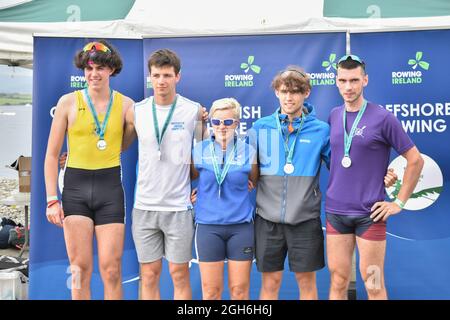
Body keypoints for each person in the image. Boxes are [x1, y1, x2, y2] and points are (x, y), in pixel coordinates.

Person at [325, 54, 424, 300]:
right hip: (336, 212)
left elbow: (416, 160)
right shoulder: (334, 115)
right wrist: (376, 172)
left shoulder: (383, 117)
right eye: (343, 80)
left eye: (354, 80)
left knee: (373, 283)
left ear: (365, 81)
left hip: (370, 214)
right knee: (338, 281)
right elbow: (340, 160)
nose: (349, 87)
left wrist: (398, 202)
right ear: (336, 82)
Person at [44, 40, 134, 300]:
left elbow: (128, 142)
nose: (94, 74)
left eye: (101, 68)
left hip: (110, 191)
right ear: (83, 70)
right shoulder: (67, 102)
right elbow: (51, 155)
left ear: (112, 70)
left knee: (112, 270)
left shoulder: (126, 105)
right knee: (80, 270)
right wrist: (52, 200)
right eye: (89, 68)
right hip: (75, 189)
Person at [125, 49, 207, 300]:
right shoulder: (136, 111)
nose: (161, 81)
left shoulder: (193, 111)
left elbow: (203, 158)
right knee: (148, 274)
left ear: (177, 77)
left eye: (167, 75)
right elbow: (116, 147)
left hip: (178, 207)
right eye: (156, 75)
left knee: (179, 273)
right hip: (145, 207)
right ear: (150, 77)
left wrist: (200, 188)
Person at [249, 66, 330, 300]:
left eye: (296, 91)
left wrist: (379, 173)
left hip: (305, 220)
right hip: (267, 220)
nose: (289, 97)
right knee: (270, 283)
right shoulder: (260, 127)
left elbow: (343, 168)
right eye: (284, 91)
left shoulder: (321, 130)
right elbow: (241, 169)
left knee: (306, 282)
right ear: (276, 92)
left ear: (307, 93)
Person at [190, 98, 257, 300]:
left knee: (239, 292)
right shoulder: (199, 150)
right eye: (216, 122)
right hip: (208, 227)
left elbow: (255, 180)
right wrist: (192, 194)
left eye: (228, 122)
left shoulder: (249, 151)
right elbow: (189, 178)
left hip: (241, 227)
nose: (221, 127)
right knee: (211, 293)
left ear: (236, 124)